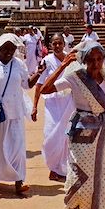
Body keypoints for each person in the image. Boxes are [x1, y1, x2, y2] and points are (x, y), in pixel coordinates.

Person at [40, 42, 105, 209]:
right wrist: (63, 65)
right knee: (80, 178)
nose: (95, 64)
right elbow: (46, 89)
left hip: (102, 135)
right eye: (91, 60)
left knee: (101, 177)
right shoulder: (75, 78)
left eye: (99, 59)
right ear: (84, 60)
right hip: (81, 133)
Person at [0, 33, 44, 195]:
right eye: (6, 49)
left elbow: (27, 85)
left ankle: (19, 181)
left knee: (17, 147)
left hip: (14, 113)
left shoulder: (18, 64)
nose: (9, 53)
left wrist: (38, 73)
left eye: (12, 49)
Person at [32, 34, 75, 182]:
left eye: (59, 43)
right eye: (54, 44)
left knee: (66, 137)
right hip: (52, 104)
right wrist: (35, 106)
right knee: (51, 135)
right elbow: (39, 85)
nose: (57, 46)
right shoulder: (47, 61)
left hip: (69, 103)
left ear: (64, 44)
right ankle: (53, 166)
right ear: (50, 45)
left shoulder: (71, 59)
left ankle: (61, 170)